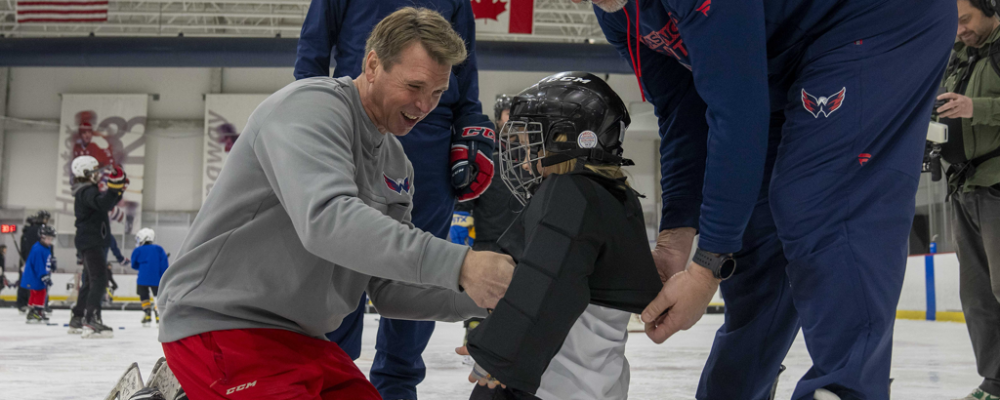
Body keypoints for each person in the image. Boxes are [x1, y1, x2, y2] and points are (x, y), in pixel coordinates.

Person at [588, 0, 958, 399]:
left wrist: (706, 266)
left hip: (877, 19)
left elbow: (737, 111)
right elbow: (683, 109)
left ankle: (846, 387)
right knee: (757, 231)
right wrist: (675, 239)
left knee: (817, 196)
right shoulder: (615, 13)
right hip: (785, 55)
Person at [156, 8, 513, 399]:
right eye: (414, 86)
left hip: (301, 338)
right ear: (373, 65)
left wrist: (484, 295)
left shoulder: (397, 164)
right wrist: (462, 263)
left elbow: (391, 288)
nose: (425, 106)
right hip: (220, 325)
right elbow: (327, 220)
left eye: (437, 93)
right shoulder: (310, 108)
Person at [295, 1, 495, 398]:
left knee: (420, 271)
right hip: (355, 120)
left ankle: (398, 386)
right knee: (340, 253)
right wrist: (313, 114)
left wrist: (470, 124)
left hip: (431, 135)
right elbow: (312, 56)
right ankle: (330, 374)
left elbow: (463, 70)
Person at [464, 72, 663, 399]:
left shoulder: (571, 193)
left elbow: (549, 278)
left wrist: (499, 353)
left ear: (564, 139)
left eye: (531, 149)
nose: (526, 164)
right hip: (597, 384)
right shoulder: (618, 196)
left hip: (553, 387)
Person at [936, 1, 1000, 399]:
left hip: (996, 186)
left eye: (965, 20)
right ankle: (994, 382)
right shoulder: (958, 59)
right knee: (976, 298)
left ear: (990, 8)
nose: (960, 30)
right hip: (964, 188)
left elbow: (973, 110)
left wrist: (974, 107)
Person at [68, 155, 127, 339]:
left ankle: (78, 317)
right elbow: (103, 203)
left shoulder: (85, 191)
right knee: (100, 279)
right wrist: (114, 187)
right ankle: (91, 320)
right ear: (87, 173)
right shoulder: (87, 191)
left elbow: (106, 203)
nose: (98, 176)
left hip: (90, 241)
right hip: (92, 242)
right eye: (95, 172)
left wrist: (117, 189)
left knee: (90, 281)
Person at [130, 228, 168, 326]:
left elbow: (134, 264)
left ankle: (147, 313)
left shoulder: (138, 250)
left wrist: (142, 268)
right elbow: (164, 265)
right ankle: (158, 313)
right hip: (156, 278)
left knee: (143, 295)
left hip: (142, 277)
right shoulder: (159, 249)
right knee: (157, 296)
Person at [16, 210, 49, 313]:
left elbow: (24, 248)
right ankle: (40, 304)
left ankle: (23, 304)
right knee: (41, 282)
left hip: (26, 260)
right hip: (36, 260)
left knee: (25, 282)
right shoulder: (41, 231)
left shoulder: (27, 231)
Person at [21, 226, 56, 323]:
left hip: (35, 276)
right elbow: (39, 265)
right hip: (35, 276)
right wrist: (44, 276)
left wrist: (51, 263)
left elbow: (45, 262)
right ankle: (36, 312)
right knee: (40, 293)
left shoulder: (44, 247)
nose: (50, 241)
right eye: (48, 238)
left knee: (35, 293)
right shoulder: (38, 249)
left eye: (51, 239)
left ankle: (33, 312)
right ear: (42, 237)